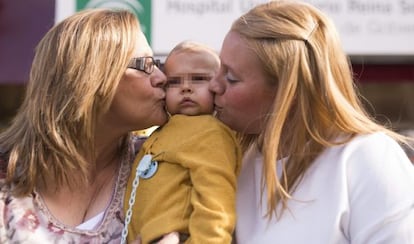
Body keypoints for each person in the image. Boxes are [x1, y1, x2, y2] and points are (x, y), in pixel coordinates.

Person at [207, 1, 414, 243]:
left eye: (231, 78)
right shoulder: (232, 161)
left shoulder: (364, 157)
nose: (214, 85)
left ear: (288, 93)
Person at [0, 9, 168, 243]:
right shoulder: (5, 180)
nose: (162, 77)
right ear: (90, 77)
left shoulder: (159, 168)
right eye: (145, 64)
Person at [123, 41, 241, 244]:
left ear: (217, 86)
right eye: (174, 82)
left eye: (199, 79)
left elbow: (216, 202)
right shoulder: (160, 129)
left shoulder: (210, 132)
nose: (186, 88)